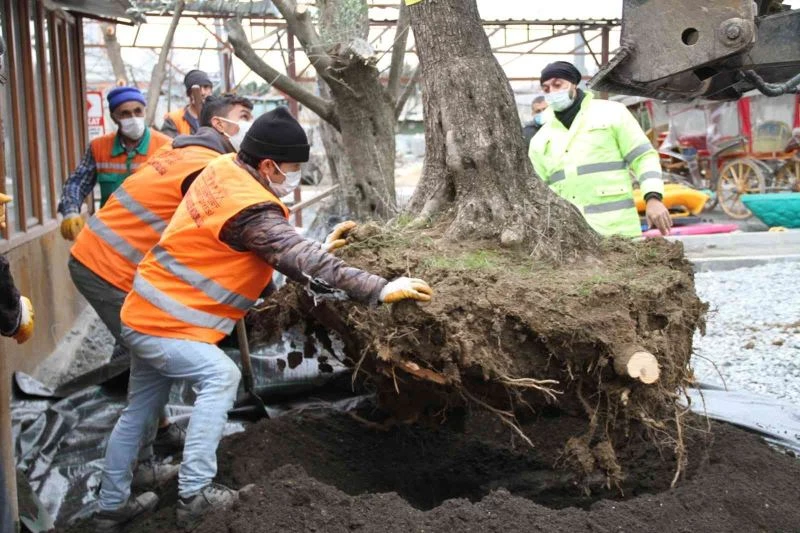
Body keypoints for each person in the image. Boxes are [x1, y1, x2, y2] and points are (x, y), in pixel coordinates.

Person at [91, 107, 433, 530]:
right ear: (269, 165)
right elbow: (283, 247)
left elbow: (268, 247)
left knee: (139, 410)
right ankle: (196, 494)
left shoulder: (223, 169)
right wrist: (378, 288)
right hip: (168, 326)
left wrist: (319, 245)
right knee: (220, 379)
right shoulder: (249, 209)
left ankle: (110, 508)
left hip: (144, 311)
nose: (295, 178)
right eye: (292, 169)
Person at [68, 94, 255, 460]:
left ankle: (158, 437)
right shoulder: (208, 167)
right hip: (108, 267)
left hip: (110, 258)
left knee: (149, 363)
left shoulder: (181, 150)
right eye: (244, 116)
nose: (252, 123)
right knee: (152, 359)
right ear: (220, 125)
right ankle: (143, 460)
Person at [529, 61, 672, 237]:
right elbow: (536, 189)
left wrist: (653, 197)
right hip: (569, 239)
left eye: (558, 85)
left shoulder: (612, 113)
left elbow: (643, 157)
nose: (552, 92)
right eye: (546, 88)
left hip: (618, 233)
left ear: (573, 84)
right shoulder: (541, 138)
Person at [58, 86, 171, 241]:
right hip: (110, 237)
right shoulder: (99, 147)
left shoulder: (166, 146)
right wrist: (71, 212)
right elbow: (76, 183)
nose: (133, 117)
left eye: (138, 111)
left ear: (144, 112)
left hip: (152, 237)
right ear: (114, 117)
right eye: (125, 113)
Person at [161, 70, 214, 138]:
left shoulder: (218, 117)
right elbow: (169, 145)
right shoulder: (174, 119)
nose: (202, 93)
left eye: (206, 87)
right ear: (189, 93)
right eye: (198, 89)